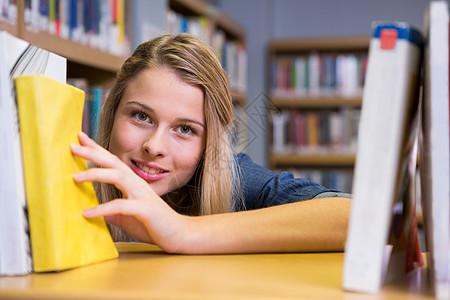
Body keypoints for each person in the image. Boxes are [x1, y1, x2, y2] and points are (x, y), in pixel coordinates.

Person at [70, 33, 352, 255]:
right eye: (141, 116)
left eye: (184, 129)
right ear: (112, 113)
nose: (154, 146)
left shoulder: (232, 178)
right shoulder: (73, 177)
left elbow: (356, 219)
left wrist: (183, 231)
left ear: (209, 144)